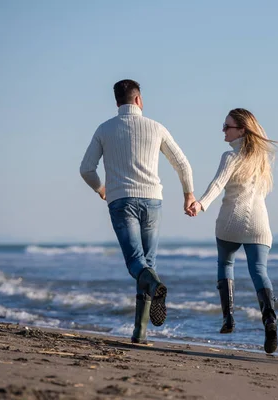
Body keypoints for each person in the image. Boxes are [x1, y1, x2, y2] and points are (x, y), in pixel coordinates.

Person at [80, 79, 195, 344]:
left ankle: (148, 308)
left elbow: (86, 168)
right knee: (148, 263)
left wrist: (100, 189)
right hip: (153, 200)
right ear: (139, 100)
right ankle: (140, 332)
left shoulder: (104, 129)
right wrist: (188, 193)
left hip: (121, 201)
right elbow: (182, 163)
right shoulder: (156, 127)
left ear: (117, 101)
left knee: (136, 263)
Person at [188, 108, 278, 354]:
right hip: (260, 225)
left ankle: (228, 319)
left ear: (241, 130)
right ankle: (270, 319)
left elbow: (218, 184)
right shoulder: (262, 159)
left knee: (225, 264)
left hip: (231, 221)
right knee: (259, 271)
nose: (223, 130)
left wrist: (201, 204)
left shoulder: (230, 157)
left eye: (227, 126)